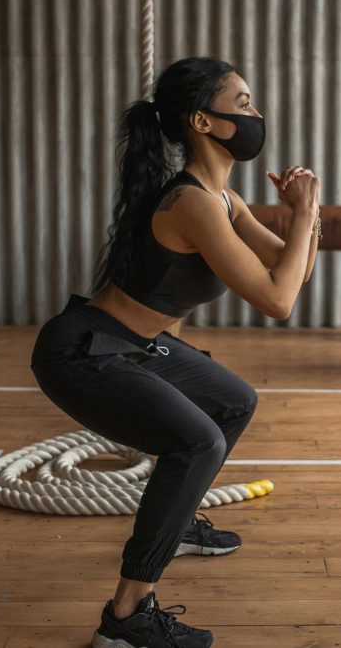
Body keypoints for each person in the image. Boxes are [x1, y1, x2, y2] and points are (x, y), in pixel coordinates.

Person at [30, 56, 320, 648]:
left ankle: (178, 523)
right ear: (202, 121)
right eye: (243, 103)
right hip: (84, 352)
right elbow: (278, 300)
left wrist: (303, 217)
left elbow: (294, 271)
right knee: (198, 441)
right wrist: (306, 213)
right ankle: (125, 618)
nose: (256, 114)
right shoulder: (192, 203)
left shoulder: (224, 199)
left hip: (137, 343)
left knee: (234, 401)